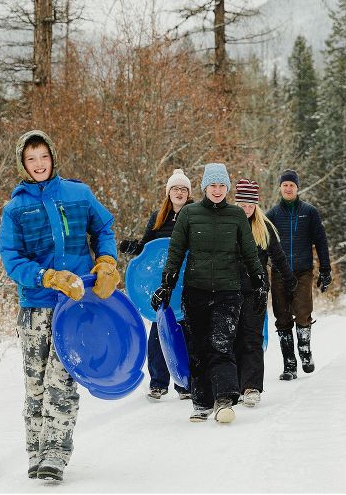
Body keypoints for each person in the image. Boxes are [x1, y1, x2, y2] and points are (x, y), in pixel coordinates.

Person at [0, 130, 120, 480]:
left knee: (61, 380)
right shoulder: (15, 208)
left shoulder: (78, 194)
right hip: (36, 306)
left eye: (43, 156)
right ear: (23, 164)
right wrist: (45, 277)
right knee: (36, 383)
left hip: (77, 305)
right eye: (31, 158)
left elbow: (104, 229)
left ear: (53, 157)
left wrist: (107, 261)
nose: (39, 164)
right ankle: (36, 452)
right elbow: (11, 258)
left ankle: (56, 453)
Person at [150, 163, 267, 424]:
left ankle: (225, 400)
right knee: (199, 347)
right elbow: (176, 253)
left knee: (222, 344)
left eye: (222, 185)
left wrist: (259, 282)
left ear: (227, 187)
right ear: (204, 187)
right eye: (212, 185)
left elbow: (249, 252)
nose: (217, 190)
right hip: (196, 292)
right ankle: (201, 402)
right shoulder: (189, 214)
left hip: (229, 292)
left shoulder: (236, 215)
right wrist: (166, 284)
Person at [119, 169, 193, 401]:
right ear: (169, 192)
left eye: (183, 189)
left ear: (188, 193)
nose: (179, 192)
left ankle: (184, 384)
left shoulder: (194, 214)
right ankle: (158, 383)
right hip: (160, 281)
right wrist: (134, 248)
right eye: (175, 188)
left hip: (186, 280)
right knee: (159, 329)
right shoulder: (158, 217)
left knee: (185, 332)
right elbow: (147, 247)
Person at [233, 178, 297, 407]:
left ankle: (251, 387)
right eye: (243, 204)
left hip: (255, 292)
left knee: (251, 338)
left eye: (251, 205)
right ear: (236, 203)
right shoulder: (227, 224)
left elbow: (278, 257)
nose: (247, 209)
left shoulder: (264, 227)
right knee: (232, 340)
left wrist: (290, 279)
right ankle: (235, 386)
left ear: (256, 206)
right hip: (228, 291)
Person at [265, 169, 331, 381]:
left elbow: (320, 241)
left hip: (303, 270)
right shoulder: (272, 215)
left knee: (303, 313)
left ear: (297, 187)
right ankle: (289, 364)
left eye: (291, 185)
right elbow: (262, 244)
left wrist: (325, 269)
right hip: (279, 272)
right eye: (285, 185)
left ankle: (304, 351)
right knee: (282, 317)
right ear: (280, 188)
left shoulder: (309, 212)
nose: (288, 188)